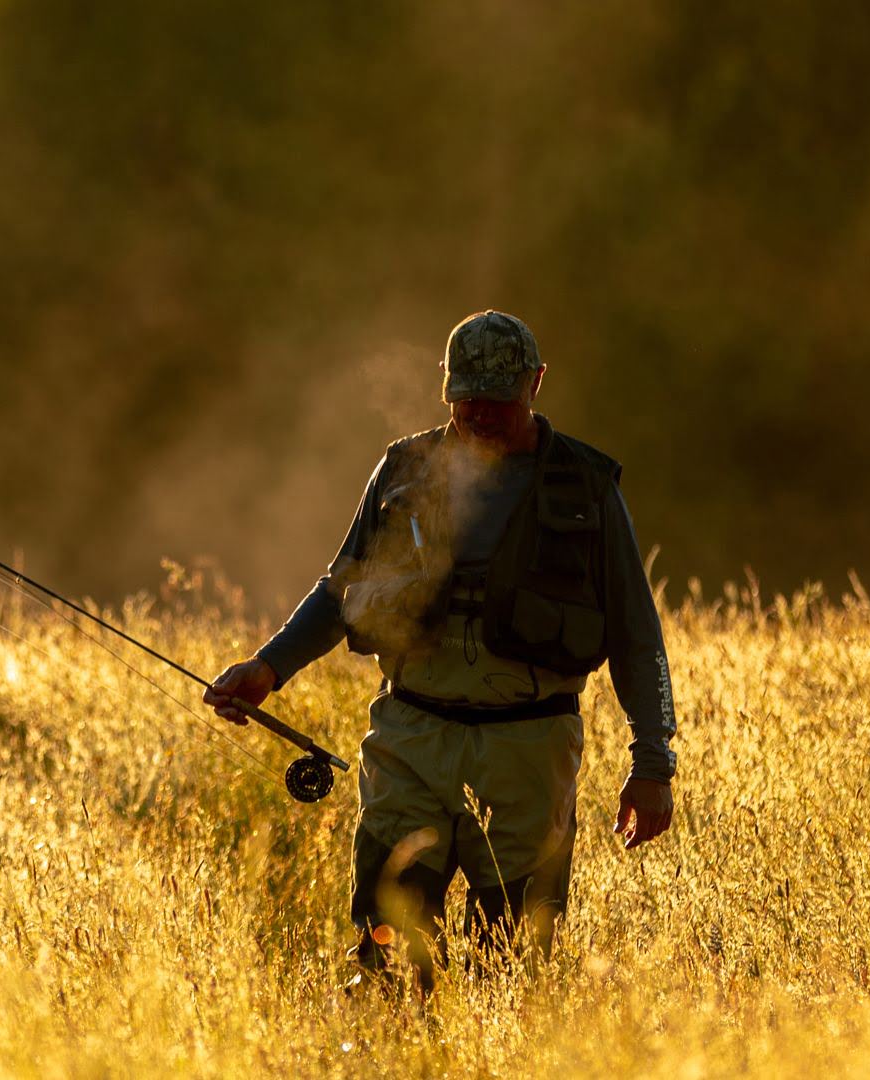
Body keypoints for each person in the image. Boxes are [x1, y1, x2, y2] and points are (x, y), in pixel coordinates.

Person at [203, 310, 677, 988]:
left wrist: (653, 763)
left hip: (527, 753)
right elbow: (340, 590)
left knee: (510, 970)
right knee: (387, 955)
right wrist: (267, 667)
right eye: (466, 398)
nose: (479, 414)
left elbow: (637, 634)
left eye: (497, 399)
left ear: (536, 383)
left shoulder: (587, 486)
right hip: (410, 739)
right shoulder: (402, 471)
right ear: (446, 387)